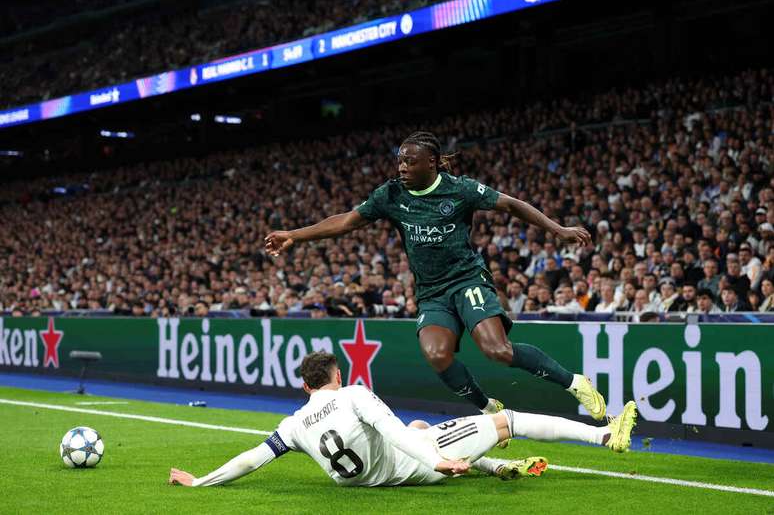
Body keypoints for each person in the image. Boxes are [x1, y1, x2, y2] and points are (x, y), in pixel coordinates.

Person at [265, 132, 606, 431]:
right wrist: (295, 235)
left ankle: (575, 383)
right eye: (400, 161)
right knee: (436, 354)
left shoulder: (461, 189)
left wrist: (558, 230)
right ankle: (488, 408)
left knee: (496, 350)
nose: (401, 168)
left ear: (432, 162)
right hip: (431, 292)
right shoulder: (392, 195)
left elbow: (512, 205)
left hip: (467, 279)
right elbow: (346, 222)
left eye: (409, 162)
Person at [169, 352, 637, 488]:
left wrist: (200, 482)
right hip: (410, 467)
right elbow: (389, 431)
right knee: (506, 420)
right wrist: (436, 461)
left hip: (367, 478)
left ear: (306, 388)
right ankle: (604, 435)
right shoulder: (353, 394)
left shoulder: (293, 424)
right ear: (338, 375)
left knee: (415, 427)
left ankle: (493, 467)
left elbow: (252, 459)